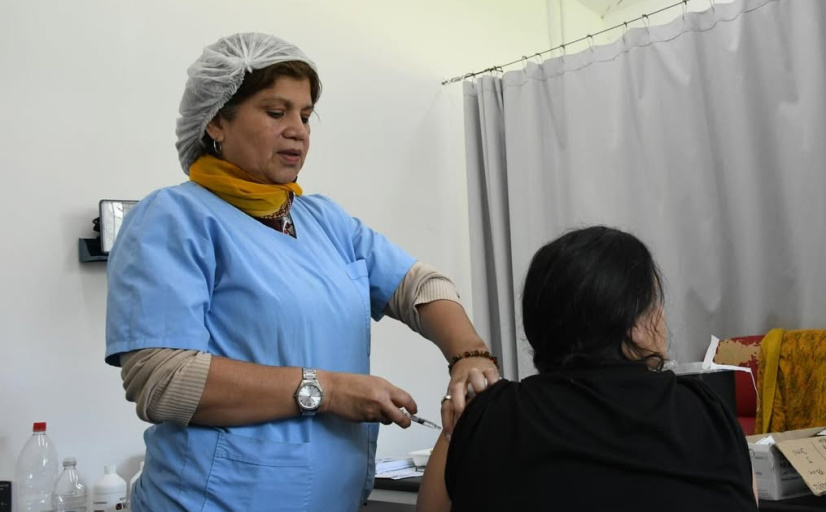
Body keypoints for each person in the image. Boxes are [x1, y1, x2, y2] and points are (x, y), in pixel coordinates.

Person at [104, 32, 500, 512]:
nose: (298, 131)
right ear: (216, 122)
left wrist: (468, 354)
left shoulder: (322, 220)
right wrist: (326, 390)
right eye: (276, 112)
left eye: (306, 116)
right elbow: (162, 381)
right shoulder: (173, 218)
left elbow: (418, 284)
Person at [416, 226, 759, 512]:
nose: (662, 316)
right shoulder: (709, 414)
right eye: (655, 302)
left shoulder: (479, 416)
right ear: (633, 325)